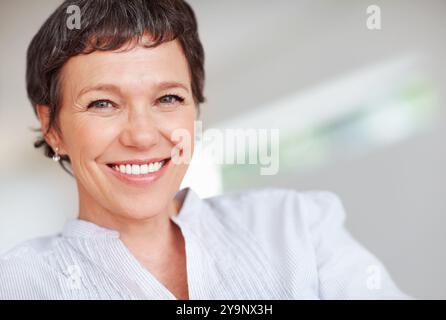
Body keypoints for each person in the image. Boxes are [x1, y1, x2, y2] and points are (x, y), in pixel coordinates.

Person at [0, 0, 409, 299]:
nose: (142, 137)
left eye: (168, 99)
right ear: (53, 127)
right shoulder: (18, 284)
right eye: (102, 103)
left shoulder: (296, 225)